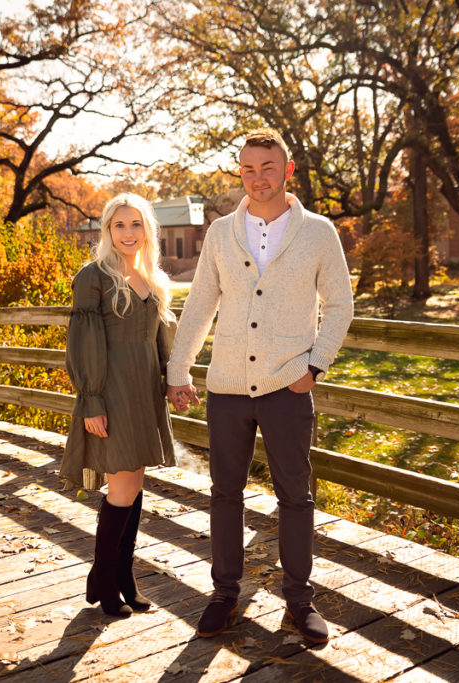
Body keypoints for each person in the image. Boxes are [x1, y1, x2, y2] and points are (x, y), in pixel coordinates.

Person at [167, 128, 354, 643]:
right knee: (225, 494)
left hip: (287, 388)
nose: (257, 178)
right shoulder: (222, 232)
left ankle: (299, 601)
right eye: (247, 169)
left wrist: (314, 367)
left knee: (296, 495)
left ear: (287, 170)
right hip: (227, 386)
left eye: (267, 168)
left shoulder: (318, 233)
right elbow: (201, 302)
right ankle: (224, 596)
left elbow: (340, 305)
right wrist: (179, 366)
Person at [61, 193, 177, 618]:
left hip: (145, 392)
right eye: (118, 225)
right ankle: (104, 577)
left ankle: (123, 576)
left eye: (136, 224)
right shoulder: (93, 277)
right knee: (123, 488)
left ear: (148, 230)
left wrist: (173, 381)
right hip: (111, 392)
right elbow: (82, 342)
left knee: (134, 483)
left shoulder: (154, 280)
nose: (128, 233)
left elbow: (161, 342)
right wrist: (91, 399)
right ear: (107, 230)